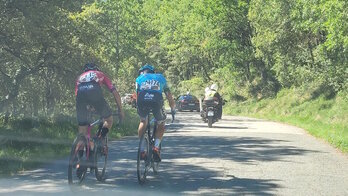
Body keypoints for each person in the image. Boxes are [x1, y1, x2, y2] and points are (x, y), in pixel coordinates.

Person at [75, 62, 124, 147]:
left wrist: (88, 107)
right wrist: (120, 110)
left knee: (82, 130)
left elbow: (77, 94)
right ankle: (100, 139)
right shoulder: (100, 74)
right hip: (95, 94)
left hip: (80, 96)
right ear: (96, 69)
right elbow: (114, 92)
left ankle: (77, 155)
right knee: (109, 120)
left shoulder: (80, 77)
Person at [136, 64, 175, 162]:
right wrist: (172, 108)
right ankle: (156, 147)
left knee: (143, 121)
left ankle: (141, 148)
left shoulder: (139, 78)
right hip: (156, 101)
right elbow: (168, 95)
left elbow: (137, 94)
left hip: (142, 100)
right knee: (161, 123)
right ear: (153, 72)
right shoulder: (160, 77)